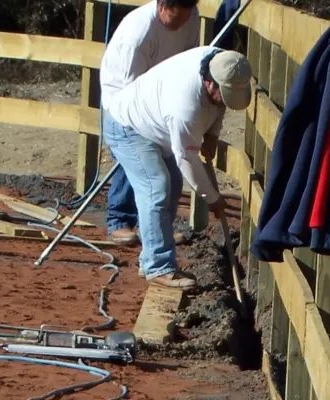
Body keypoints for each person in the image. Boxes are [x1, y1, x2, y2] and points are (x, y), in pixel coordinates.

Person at [102, 47, 252, 289]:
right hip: (129, 127)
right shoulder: (186, 106)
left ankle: (151, 255)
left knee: (172, 187)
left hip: (157, 125)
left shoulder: (224, 62)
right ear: (209, 83)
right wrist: (212, 198)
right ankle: (158, 266)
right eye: (222, 94)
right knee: (156, 187)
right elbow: (187, 159)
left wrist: (212, 133)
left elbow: (218, 106)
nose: (224, 101)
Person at [100, 0, 201, 245]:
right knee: (139, 161)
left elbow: (188, 60)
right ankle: (120, 220)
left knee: (167, 174)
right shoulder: (138, 33)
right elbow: (130, 91)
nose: (180, 26)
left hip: (163, 95)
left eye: (184, 20)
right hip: (126, 100)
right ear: (161, 6)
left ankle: (156, 231)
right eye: (174, 20)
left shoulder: (191, 16)